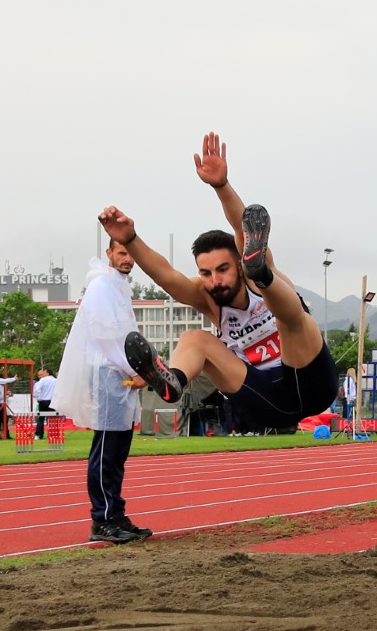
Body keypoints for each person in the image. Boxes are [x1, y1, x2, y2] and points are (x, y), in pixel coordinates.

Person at [103, 133, 338, 435]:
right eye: (206, 273)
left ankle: (263, 274)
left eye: (223, 269)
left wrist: (221, 186)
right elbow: (168, 277)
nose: (215, 280)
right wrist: (130, 239)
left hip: (313, 379)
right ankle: (172, 381)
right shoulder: (208, 296)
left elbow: (244, 229)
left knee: (290, 316)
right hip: (268, 398)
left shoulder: (252, 270)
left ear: (239, 265)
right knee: (194, 338)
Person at [52, 237, 152, 545]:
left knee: (118, 452)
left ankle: (115, 514)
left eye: (131, 254)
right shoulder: (101, 286)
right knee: (107, 450)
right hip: (109, 373)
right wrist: (135, 370)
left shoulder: (119, 286)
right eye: (122, 253)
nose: (127, 259)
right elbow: (106, 337)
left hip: (121, 375)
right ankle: (102, 518)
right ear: (109, 253)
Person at [33, 367, 58, 440]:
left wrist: (38, 398)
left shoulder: (43, 380)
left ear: (47, 372)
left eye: (44, 372)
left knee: (41, 418)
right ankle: (53, 435)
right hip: (52, 401)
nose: (42, 373)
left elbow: (36, 390)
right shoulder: (55, 380)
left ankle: (38, 434)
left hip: (43, 401)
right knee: (53, 419)